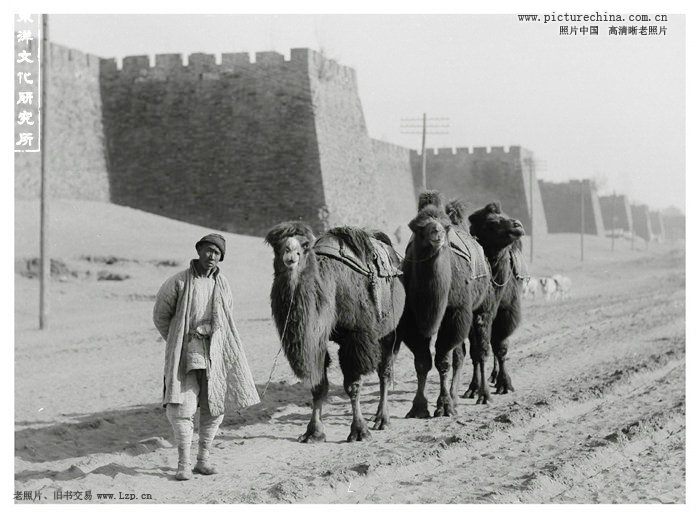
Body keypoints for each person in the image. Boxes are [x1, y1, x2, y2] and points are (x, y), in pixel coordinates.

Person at [153, 233, 260, 481]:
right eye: (208, 251)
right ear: (199, 251)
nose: (212, 256)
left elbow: (227, 314)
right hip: (186, 353)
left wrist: (213, 334)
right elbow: (161, 316)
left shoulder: (223, 285)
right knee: (183, 406)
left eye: (217, 253)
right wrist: (179, 339)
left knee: (215, 406)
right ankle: (183, 463)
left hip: (215, 351)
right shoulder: (178, 282)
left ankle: (203, 460)